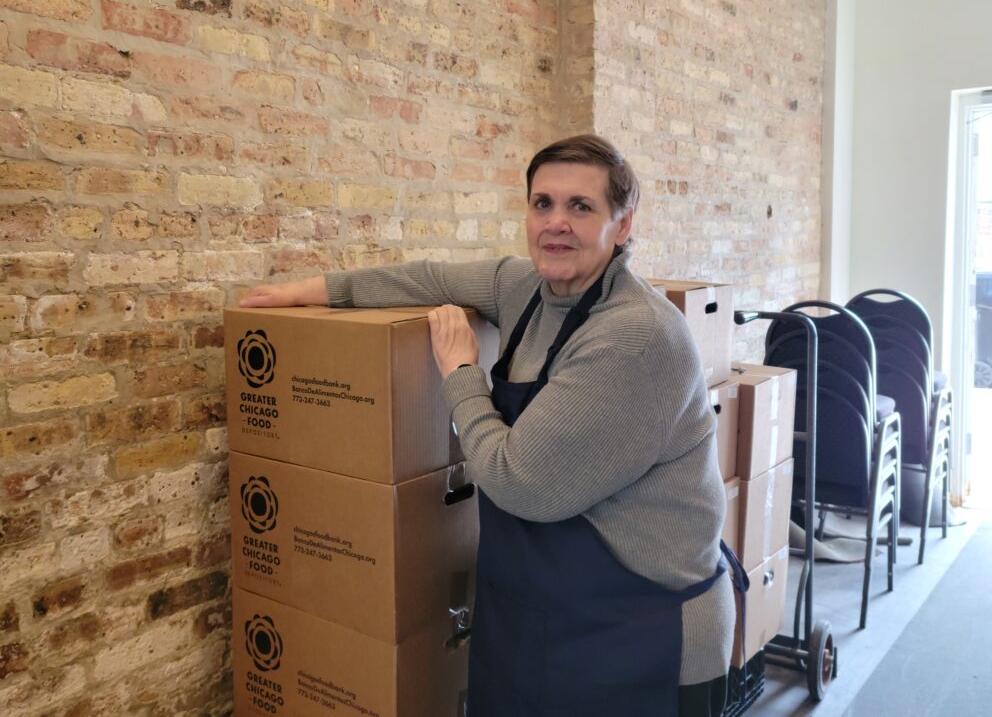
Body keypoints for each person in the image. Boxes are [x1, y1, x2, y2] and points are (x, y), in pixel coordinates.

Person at [241, 134, 737, 717]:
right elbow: (428, 279)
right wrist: (318, 291)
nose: (556, 223)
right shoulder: (527, 289)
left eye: (581, 207)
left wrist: (460, 372)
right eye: (542, 203)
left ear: (622, 224)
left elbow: (520, 483)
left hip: (638, 634)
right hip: (535, 616)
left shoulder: (634, 335)